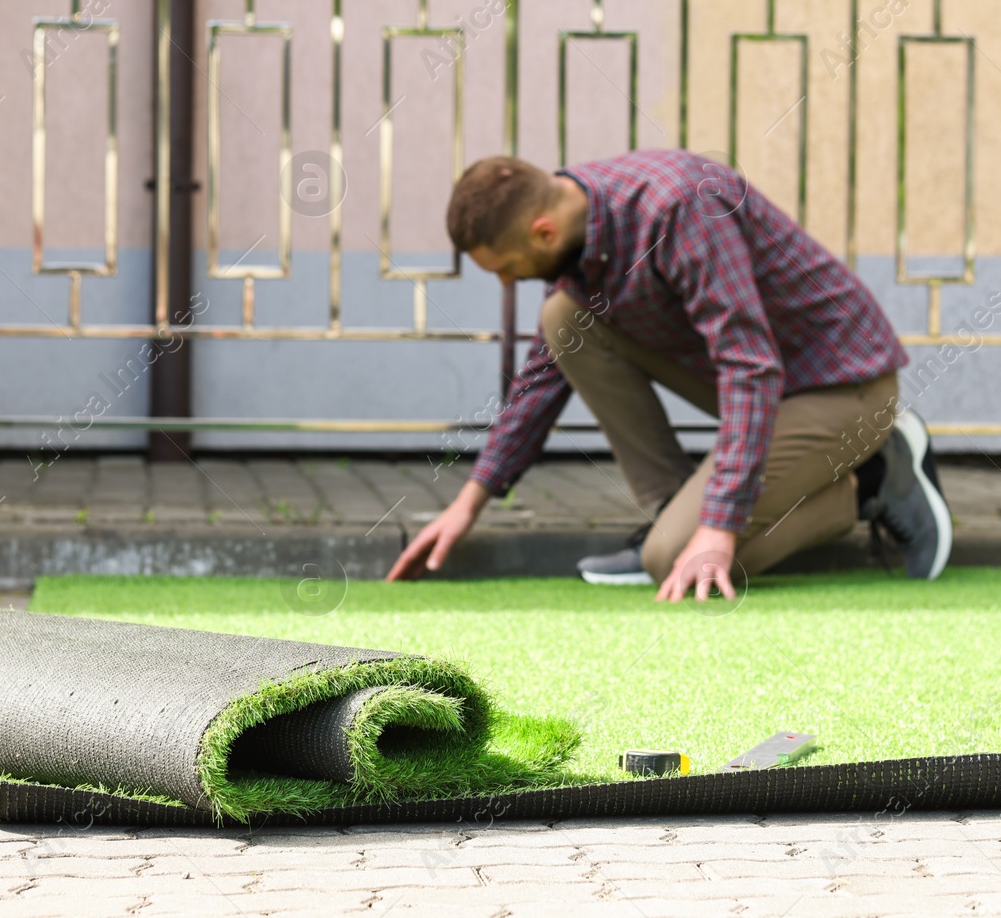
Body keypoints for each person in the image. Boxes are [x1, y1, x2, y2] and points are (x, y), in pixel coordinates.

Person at [385, 149, 951, 603]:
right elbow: (541, 381)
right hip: (773, 382)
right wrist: (469, 503)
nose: (508, 284)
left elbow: (748, 365)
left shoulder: (679, 207)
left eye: (506, 269)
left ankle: (874, 478)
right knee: (562, 317)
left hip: (842, 385)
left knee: (671, 561)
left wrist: (718, 526)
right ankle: (673, 512)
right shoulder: (582, 225)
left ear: (542, 233)